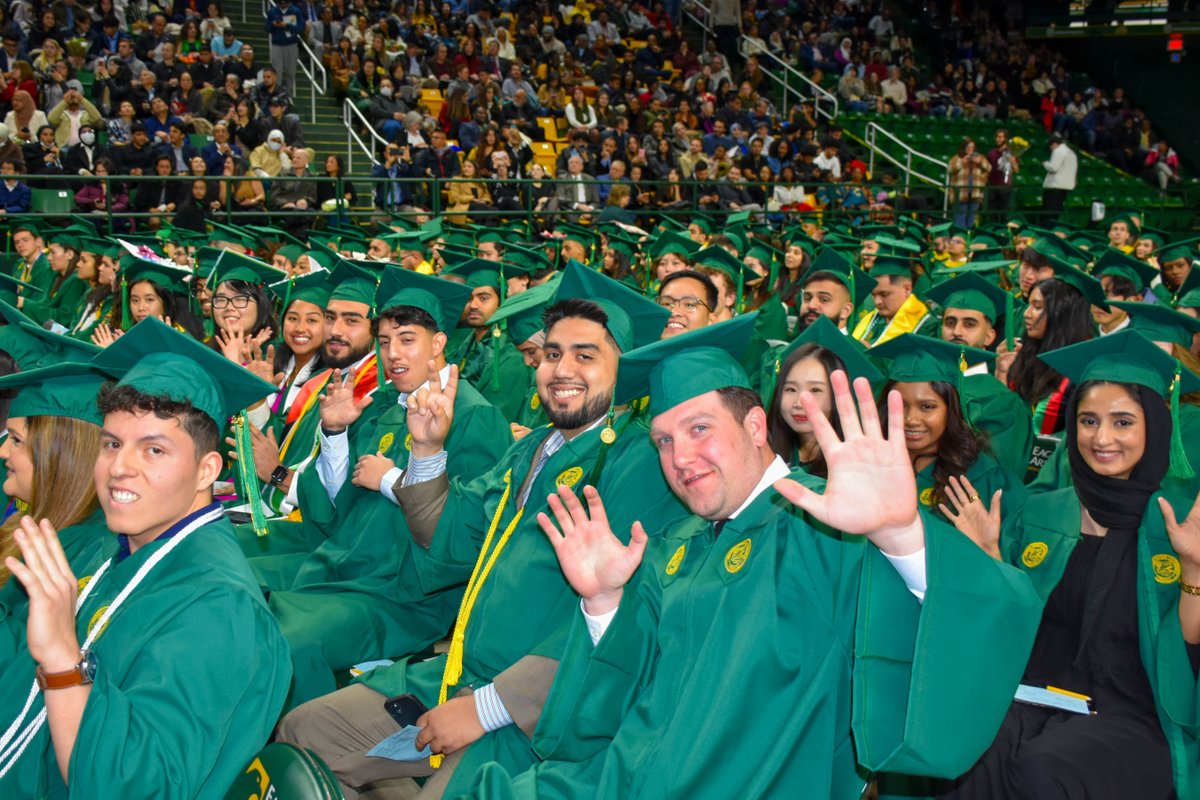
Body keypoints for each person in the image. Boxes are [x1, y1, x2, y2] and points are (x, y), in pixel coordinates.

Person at [452, 313, 1040, 799]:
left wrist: (901, 536)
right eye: (663, 440)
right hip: (620, 777)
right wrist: (604, 602)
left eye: (700, 428)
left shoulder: (824, 526)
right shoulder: (673, 548)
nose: (681, 457)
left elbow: (958, 632)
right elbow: (616, 697)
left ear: (757, 425)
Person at [277, 265, 686, 799]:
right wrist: (425, 453)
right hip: (457, 673)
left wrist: (489, 706)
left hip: (543, 710)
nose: (561, 369)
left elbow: (624, 615)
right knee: (304, 736)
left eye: (586, 355)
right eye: (551, 353)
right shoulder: (532, 449)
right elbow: (450, 543)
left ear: (623, 369)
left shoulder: (641, 466)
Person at [0, 318, 291, 797]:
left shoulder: (221, 611)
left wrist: (61, 658)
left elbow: (137, 787)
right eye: (111, 443)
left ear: (207, 471)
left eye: (153, 449)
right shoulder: (100, 549)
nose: (119, 467)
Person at [936, 330, 1200, 799]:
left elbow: (1189, 651)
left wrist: (1195, 572)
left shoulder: (1177, 525)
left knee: (1045, 767)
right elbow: (1007, 627)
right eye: (1088, 420)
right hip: (1036, 693)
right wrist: (992, 560)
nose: (1102, 438)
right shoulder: (1040, 514)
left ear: (1156, 427)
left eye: (1123, 423)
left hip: (1134, 713)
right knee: (971, 751)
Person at [251, 266, 511, 710]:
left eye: (407, 340)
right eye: (386, 341)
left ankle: (298, 749)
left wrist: (392, 480)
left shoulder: (474, 416)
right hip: (347, 565)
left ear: (439, 343)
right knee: (241, 597)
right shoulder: (387, 407)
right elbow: (335, 507)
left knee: (284, 640)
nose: (392, 354)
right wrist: (333, 434)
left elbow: (465, 531)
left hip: (405, 593)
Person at [766, 315, 883, 476]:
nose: (800, 403)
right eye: (791, 389)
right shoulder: (767, 454)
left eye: (815, 390)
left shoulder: (855, 465)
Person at [265, 0, 303, 100]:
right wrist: (273, 24)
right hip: (277, 45)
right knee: (276, 72)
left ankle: (288, 96)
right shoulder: (272, 11)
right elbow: (267, 29)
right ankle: (277, 96)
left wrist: (287, 25)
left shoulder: (296, 11)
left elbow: (300, 29)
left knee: (290, 72)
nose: (283, 4)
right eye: (281, 2)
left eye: (285, 2)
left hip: (291, 44)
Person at [1042, 134, 1077, 223]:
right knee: (1057, 211)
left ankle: (1048, 229)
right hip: (1065, 186)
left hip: (1055, 186)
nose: (1050, 149)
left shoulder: (1058, 151)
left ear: (1054, 144)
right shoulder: (1071, 152)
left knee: (1049, 212)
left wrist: (1045, 163)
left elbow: (1053, 167)